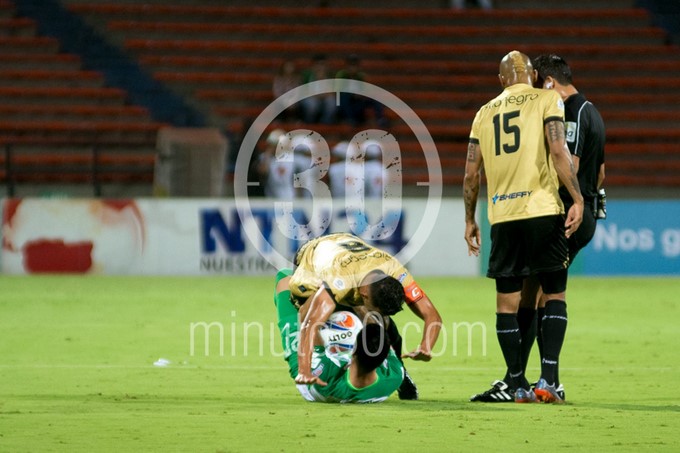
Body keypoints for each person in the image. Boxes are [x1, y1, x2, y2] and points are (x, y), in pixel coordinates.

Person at [463, 50, 583, 403]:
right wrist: (577, 198)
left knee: (506, 304)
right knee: (554, 294)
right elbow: (558, 150)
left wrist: (469, 219)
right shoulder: (548, 99)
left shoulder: (483, 113)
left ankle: (516, 383)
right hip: (542, 209)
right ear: (532, 76)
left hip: (503, 215)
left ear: (501, 80)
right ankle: (548, 380)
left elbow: (471, 174)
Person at [511, 54, 607, 401]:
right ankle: (525, 379)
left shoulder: (572, 112)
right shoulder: (593, 112)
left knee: (546, 292)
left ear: (549, 81)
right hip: (582, 210)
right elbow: (600, 173)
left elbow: (570, 162)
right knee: (533, 290)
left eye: (539, 85)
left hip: (566, 212)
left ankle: (542, 379)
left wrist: (570, 200)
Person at [286, 232, 442, 400]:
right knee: (306, 312)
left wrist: (426, 346)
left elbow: (432, 315)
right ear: (364, 295)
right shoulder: (339, 280)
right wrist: (304, 370)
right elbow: (310, 323)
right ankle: (327, 365)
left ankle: (400, 371)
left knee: (383, 322)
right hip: (311, 260)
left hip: (344, 245)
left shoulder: (395, 270)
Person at [274, 269, 404, 403]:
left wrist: (328, 288)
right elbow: (380, 335)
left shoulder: (327, 379)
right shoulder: (395, 376)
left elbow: (306, 323)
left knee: (284, 278)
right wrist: (356, 304)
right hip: (347, 359)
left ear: (353, 350)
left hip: (311, 373)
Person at [335, 54, 387, 128]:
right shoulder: (341, 75)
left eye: (355, 65)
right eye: (351, 65)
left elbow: (367, 90)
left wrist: (362, 94)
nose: (353, 68)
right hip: (345, 103)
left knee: (375, 97)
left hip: (358, 102)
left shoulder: (361, 76)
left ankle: (380, 118)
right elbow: (338, 92)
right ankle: (350, 119)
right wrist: (352, 94)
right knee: (344, 97)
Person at [299, 54, 336, 124]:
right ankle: (309, 122)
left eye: (323, 64)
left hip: (324, 97)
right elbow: (303, 92)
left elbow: (332, 92)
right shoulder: (307, 75)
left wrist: (322, 78)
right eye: (318, 64)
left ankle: (325, 122)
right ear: (313, 66)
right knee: (312, 104)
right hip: (311, 97)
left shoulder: (330, 75)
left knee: (332, 102)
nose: (320, 67)